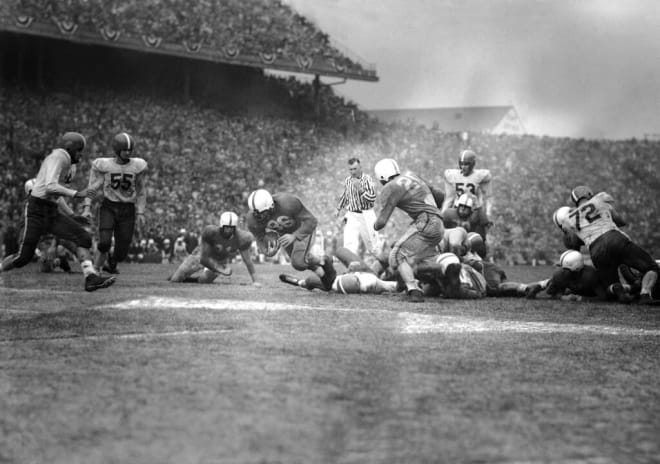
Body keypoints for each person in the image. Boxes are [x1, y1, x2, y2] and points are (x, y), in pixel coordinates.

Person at [0, 132, 115, 291]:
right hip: (36, 210)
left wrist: (72, 215)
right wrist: (76, 194)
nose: (81, 154)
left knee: (84, 237)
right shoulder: (59, 157)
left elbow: (56, 193)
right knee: (22, 258)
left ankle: (91, 277)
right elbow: (50, 187)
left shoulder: (71, 165)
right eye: (79, 150)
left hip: (51, 211)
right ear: (70, 148)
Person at [555, 186, 658, 304]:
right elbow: (621, 221)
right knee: (651, 267)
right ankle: (645, 294)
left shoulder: (569, 218)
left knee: (609, 286)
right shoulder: (600, 199)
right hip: (615, 239)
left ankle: (619, 291)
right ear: (588, 194)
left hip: (596, 249)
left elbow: (573, 243)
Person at [373, 158, 445, 302]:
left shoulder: (390, 186)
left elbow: (381, 223)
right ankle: (442, 273)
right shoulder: (412, 175)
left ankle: (414, 290)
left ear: (382, 176)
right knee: (411, 259)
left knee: (396, 255)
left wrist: (372, 225)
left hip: (426, 222)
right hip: (438, 223)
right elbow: (440, 195)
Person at [82, 132, 147, 274]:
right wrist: (86, 207)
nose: (128, 152)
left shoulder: (138, 165)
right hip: (109, 206)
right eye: (125, 149)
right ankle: (96, 271)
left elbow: (141, 190)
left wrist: (141, 211)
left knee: (122, 252)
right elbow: (92, 188)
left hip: (128, 209)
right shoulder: (105, 165)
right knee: (104, 242)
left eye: (130, 150)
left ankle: (112, 261)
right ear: (117, 149)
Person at [247, 189, 336, 290]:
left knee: (298, 262)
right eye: (257, 214)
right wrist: (267, 251)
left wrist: (295, 235)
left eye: (263, 213)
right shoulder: (252, 219)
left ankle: (323, 260)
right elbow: (260, 238)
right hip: (285, 235)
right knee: (301, 265)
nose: (260, 217)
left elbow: (311, 221)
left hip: (302, 230)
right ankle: (324, 277)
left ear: (271, 205)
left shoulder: (287, 202)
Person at [168, 211, 261, 285]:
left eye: (231, 228)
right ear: (221, 226)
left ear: (235, 228)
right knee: (175, 279)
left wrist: (255, 280)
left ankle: (190, 280)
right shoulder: (210, 232)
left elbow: (248, 261)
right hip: (201, 255)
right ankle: (178, 276)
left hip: (220, 260)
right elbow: (204, 259)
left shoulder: (242, 238)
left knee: (204, 281)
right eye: (226, 228)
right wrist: (218, 268)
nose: (228, 230)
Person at [279, 245, 402, 294]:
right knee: (340, 251)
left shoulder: (379, 283)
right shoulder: (377, 279)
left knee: (311, 280)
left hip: (356, 279)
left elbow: (393, 286)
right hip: (361, 276)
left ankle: (299, 282)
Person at [524, 250, 634, 302]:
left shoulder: (590, 276)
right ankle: (535, 285)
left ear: (576, 268)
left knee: (611, 292)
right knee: (550, 283)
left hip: (595, 289)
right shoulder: (560, 274)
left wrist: (580, 298)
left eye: (566, 269)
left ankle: (630, 288)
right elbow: (550, 293)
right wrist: (539, 288)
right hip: (580, 290)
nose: (563, 271)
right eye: (563, 268)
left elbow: (603, 298)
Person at [441, 149, 492, 240]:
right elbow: (449, 198)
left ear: (472, 164)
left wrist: (488, 214)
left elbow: (488, 197)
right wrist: (442, 214)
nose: (463, 167)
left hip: (473, 211)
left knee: (479, 238)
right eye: (461, 164)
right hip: (458, 210)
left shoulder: (480, 176)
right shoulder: (452, 175)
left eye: (466, 164)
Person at [334, 157, 380, 257]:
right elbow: (345, 196)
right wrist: (338, 208)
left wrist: (361, 190)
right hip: (352, 214)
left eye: (355, 169)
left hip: (366, 214)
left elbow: (372, 198)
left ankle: (383, 266)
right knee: (349, 244)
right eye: (350, 169)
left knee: (373, 246)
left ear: (360, 167)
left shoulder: (367, 179)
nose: (353, 171)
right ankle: (352, 266)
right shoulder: (348, 180)